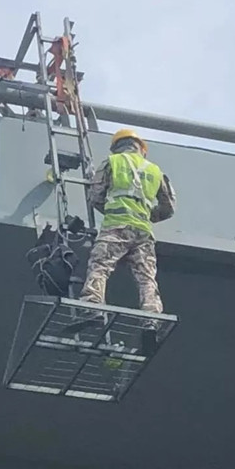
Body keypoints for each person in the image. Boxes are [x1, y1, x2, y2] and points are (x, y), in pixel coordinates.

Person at [65, 129, 176, 354]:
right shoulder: (155, 171)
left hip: (116, 225)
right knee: (146, 278)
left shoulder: (112, 163)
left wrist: (111, 209)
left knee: (100, 266)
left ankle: (93, 307)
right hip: (143, 232)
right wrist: (148, 215)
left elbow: (95, 196)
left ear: (116, 146)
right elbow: (169, 207)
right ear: (141, 148)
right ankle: (151, 321)